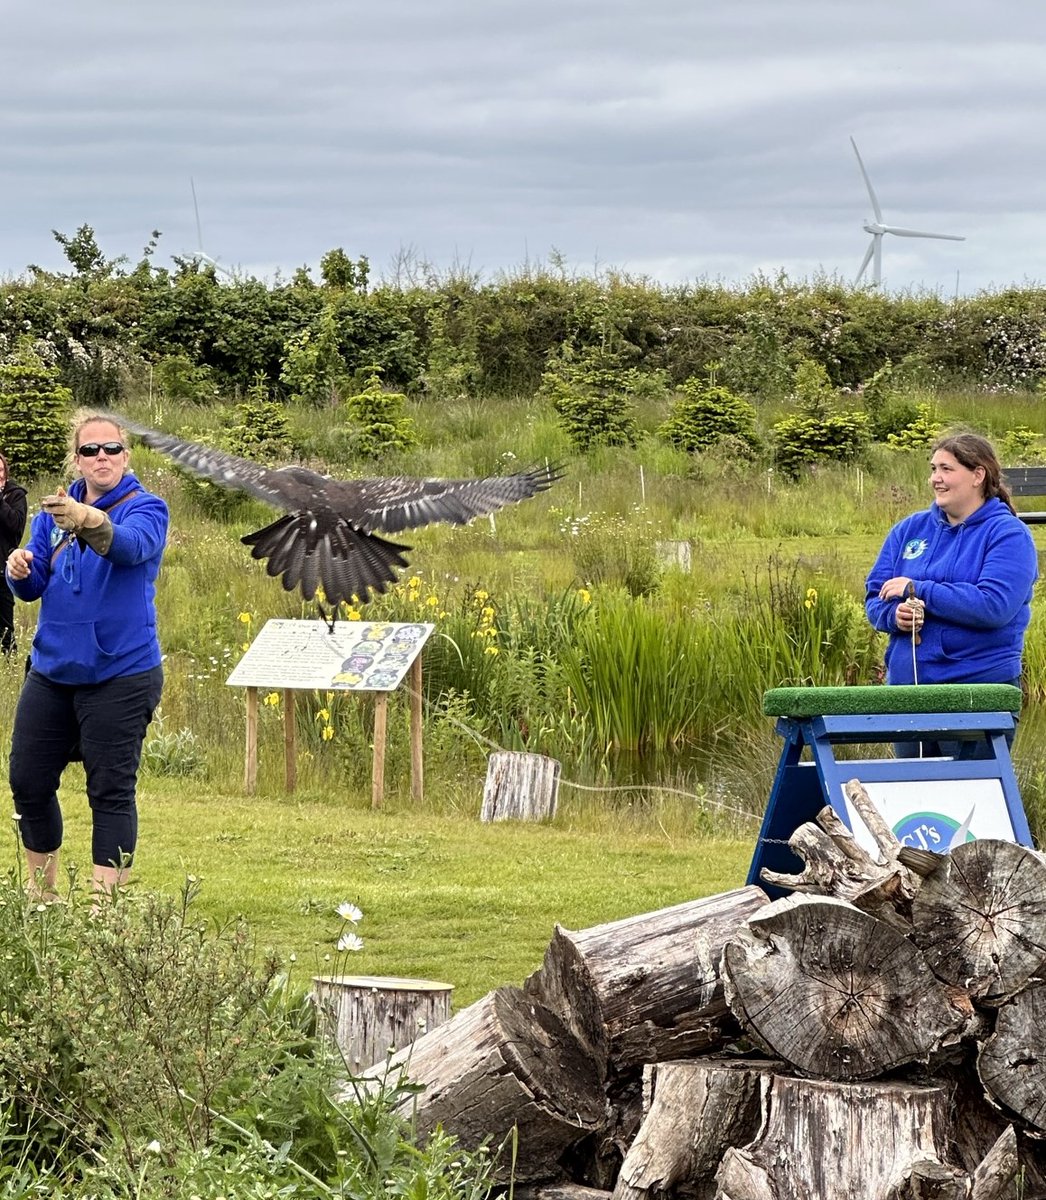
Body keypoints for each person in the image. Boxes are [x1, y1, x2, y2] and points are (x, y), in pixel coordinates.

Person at [5, 412, 168, 899]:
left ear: (126, 455)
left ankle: (103, 915)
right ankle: (42, 899)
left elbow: (129, 547)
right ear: (77, 459)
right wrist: (17, 569)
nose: (102, 457)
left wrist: (90, 520)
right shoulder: (50, 515)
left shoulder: (147, 508)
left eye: (112, 448)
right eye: (91, 450)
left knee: (110, 792)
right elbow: (33, 587)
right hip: (52, 670)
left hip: (122, 672)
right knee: (28, 781)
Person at [865, 430, 1038, 757]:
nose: (936, 479)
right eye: (933, 469)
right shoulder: (909, 530)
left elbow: (994, 606)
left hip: (977, 696)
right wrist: (894, 616)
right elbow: (876, 597)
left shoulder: (1008, 535)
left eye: (946, 469)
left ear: (977, 475)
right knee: (915, 807)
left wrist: (919, 590)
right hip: (908, 695)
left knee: (969, 807)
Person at [0, 452, 28, 654]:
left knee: (4, 623)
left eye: (0, 470)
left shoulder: (16, 495)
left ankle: (10, 659)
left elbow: (15, 525)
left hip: (3, 567)